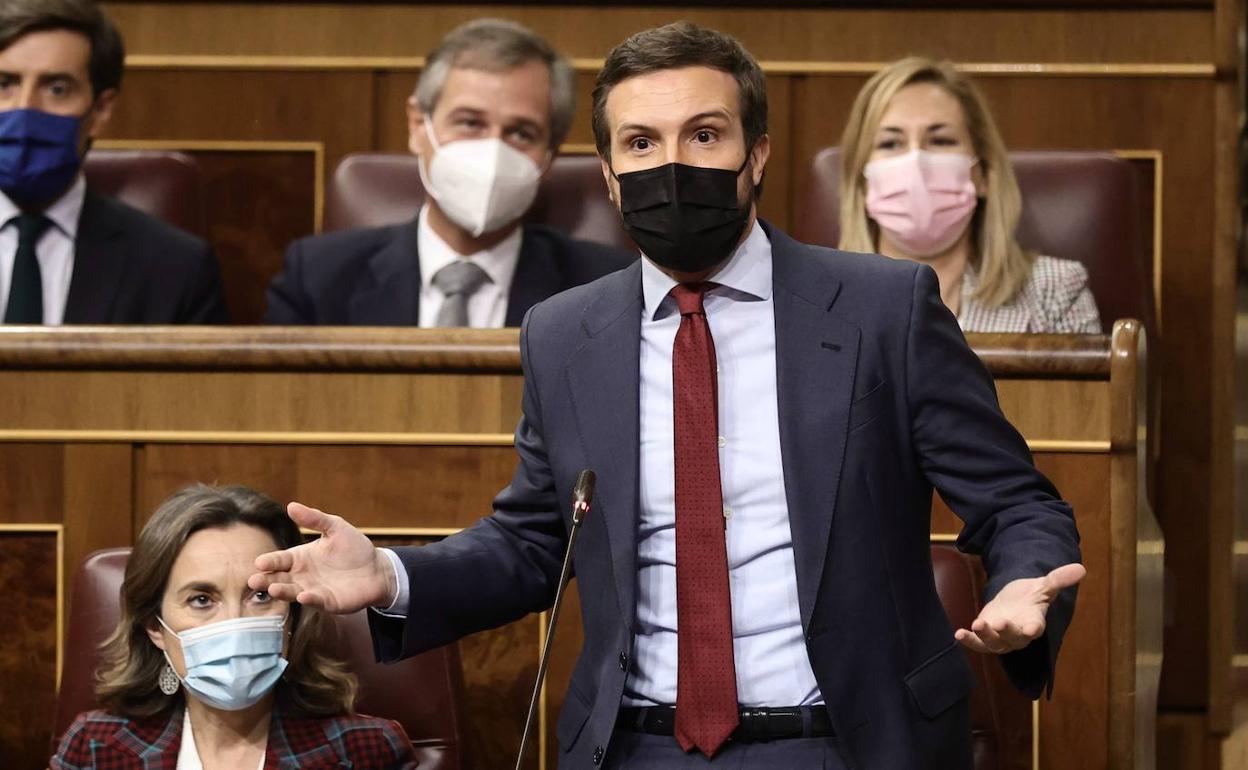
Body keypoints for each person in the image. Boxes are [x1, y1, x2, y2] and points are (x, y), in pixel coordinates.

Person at [249, 23, 1084, 769]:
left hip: (844, 739)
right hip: (635, 743)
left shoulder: (881, 308)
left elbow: (1015, 502)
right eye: (641, 144)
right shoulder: (563, 333)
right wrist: (391, 574)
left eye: (705, 135)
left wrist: (1025, 582)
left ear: (757, 154)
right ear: (609, 176)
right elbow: (538, 542)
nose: (673, 165)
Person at [264, 19, 634, 327]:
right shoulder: (316, 278)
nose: (493, 150)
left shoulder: (606, 288)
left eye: (522, 132)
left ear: (549, 154)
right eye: (470, 122)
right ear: (417, 127)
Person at [52, 484, 417, 769]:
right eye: (202, 600)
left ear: (292, 614)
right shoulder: (94, 747)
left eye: (259, 596)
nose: (234, 624)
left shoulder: (366, 750)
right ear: (155, 627)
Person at [0, 0, 228, 325]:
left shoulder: (176, 268)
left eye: (57, 89)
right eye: (3, 84)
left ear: (101, 111)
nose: (25, 109)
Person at [838, 57, 1101, 333]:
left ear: (983, 173)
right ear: (861, 181)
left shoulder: (1054, 292)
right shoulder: (813, 301)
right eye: (890, 143)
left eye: (941, 140)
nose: (917, 163)